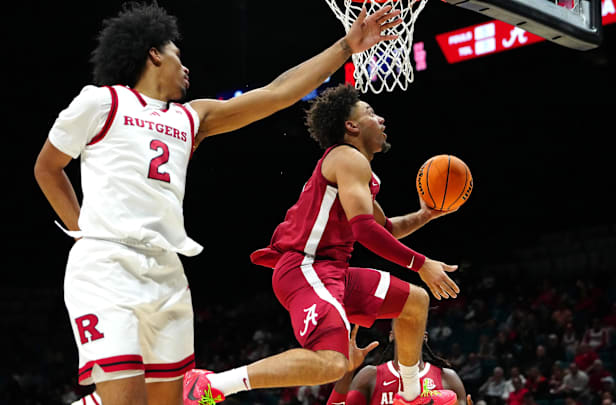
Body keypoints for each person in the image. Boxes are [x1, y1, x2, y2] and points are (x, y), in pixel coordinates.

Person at [33, 3, 403, 405]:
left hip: (167, 271)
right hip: (107, 267)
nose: (186, 67)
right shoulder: (101, 103)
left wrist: (346, 46)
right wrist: (87, 234)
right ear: (154, 53)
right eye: (177, 54)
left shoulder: (192, 118)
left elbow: (278, 93)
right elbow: (48, 168)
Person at [183, 84, 462, 405]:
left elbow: (386, 228)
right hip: (305, 268)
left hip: (331, 271)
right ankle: (212, 385)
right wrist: (421, 263)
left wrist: (427, 214)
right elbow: (366, 230)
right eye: (371, 113)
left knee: (414, 302)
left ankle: (410, 395)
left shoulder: (357, 171)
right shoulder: (346, 158)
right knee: (333, 363)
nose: (381, 119)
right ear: (351, 126)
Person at [325, 322, 472, 405]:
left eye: (414, 322)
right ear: (391, 336)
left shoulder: (447, 377)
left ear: (425, 336)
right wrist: (348, 371)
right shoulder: (370, 375)